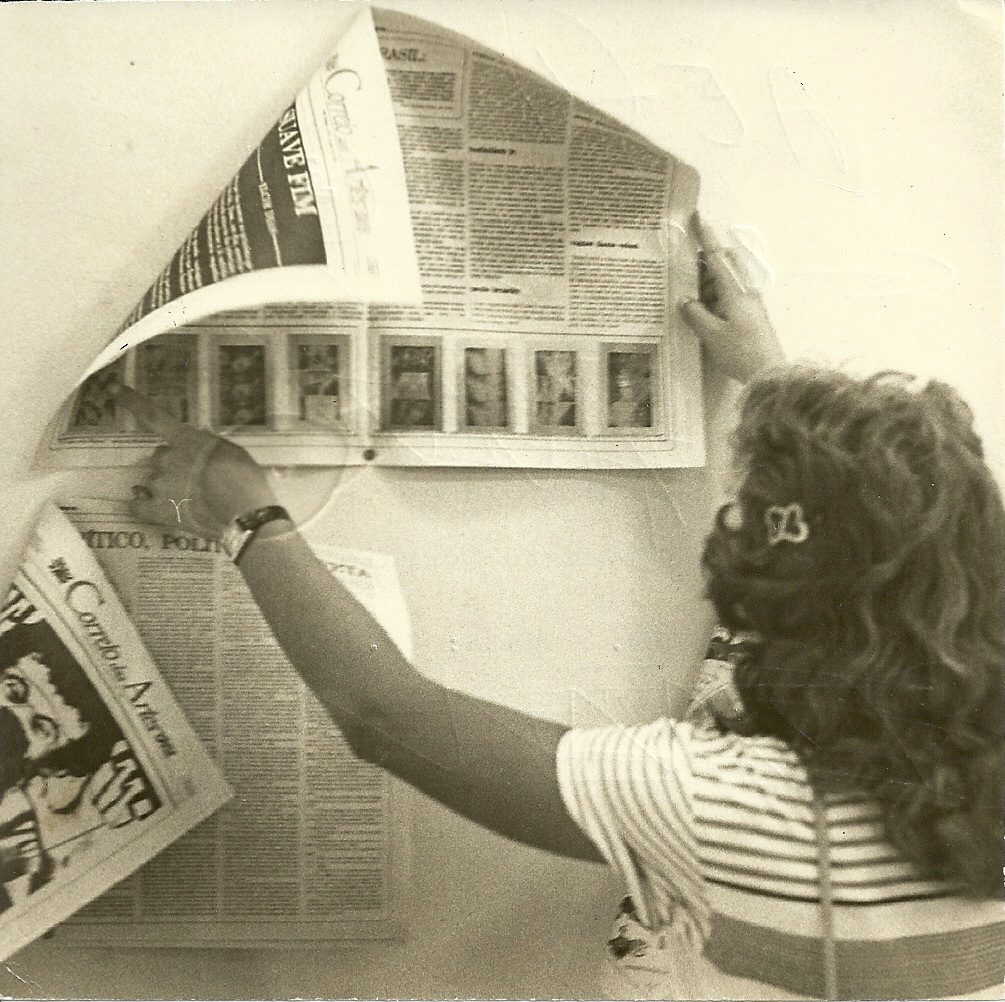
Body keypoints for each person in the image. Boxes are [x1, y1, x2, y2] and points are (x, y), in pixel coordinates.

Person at [114, 216, 1004, 1000]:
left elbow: (388, 716)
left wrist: (247, 514)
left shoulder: (731, 806)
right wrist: (773, 387)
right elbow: (870, 560)